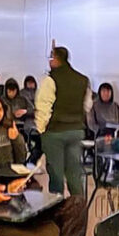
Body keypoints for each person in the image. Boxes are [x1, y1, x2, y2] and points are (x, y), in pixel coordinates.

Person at [35, 46, 93, 196]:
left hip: (55, 132)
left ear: (55, 58)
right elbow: (87, 105)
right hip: (76, 131)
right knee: (74, 174)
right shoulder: (83, 80)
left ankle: (57, 212)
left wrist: (42, 130)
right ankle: (79, 210)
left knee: (56, 176)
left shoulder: (50, 80)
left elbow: (43, 106)